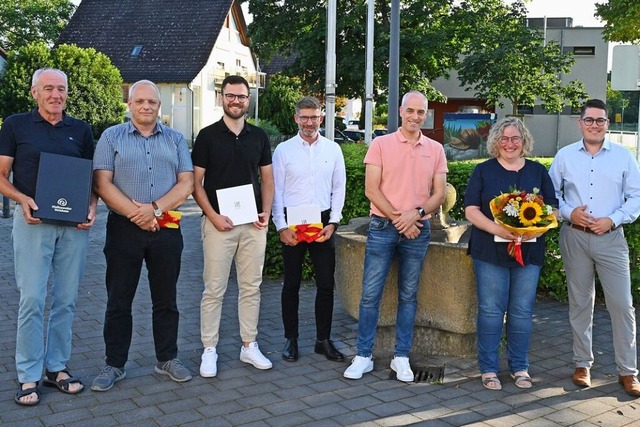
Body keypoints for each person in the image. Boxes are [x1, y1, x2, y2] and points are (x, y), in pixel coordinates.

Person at [91, 80, 194, 391]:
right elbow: (102, 183)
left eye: (152, 101)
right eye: (140, 101)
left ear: (159, 106)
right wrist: (137, 214)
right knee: (119, 299)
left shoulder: (175, 140)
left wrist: (155, 209)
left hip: (166, 227)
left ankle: (167, 358)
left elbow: (186, 182)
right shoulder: (111, 137)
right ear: (130, 104)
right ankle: (114, 364)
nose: (146, 106)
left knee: (167, 299)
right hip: (124, 230)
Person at [0, 68, 96, 406]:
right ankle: (28, 373)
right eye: (49, 89)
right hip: (33, 223)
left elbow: (90, 179)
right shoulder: (15, 125)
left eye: (62, 89)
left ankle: (56, 368)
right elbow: (1, 175)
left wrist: (92, 207)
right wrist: (22, 199)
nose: (56, 95)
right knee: (32, 300)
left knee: (67, 299)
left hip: (73, 227)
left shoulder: (81, 129)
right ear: (35, 92)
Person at [343, 91, 447, 382]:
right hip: (383, 228)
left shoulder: (435, 149)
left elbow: (439, 193)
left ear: (425, 114)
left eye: (420, 112)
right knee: (370, 294)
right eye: (410, 111)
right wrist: (401, 220)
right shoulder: (380, 144)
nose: (415, 116)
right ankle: (363, 355)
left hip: (418, 228)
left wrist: (414, 214)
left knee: (408, 295)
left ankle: (401, 357)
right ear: (401, 112)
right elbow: (371, 190)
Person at [549, 99, 640, 397]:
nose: (594, 125)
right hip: (574, 236)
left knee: (622, 305)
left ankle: (628, 371)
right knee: (580, 303)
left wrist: (612, 220)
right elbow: (551, 196)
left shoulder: (624, 158)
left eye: (600, 120)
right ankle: (582, 364)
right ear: (580, 123)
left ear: (607, 124)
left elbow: (636, 199)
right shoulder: (564, 156)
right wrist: (568, 212)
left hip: (611, 239)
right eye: (589, 120)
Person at [464, 117, 558, 391]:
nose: (509, 143)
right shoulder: (483, 171)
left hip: (528, 251)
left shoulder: (538, 171)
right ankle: (489, 368)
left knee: (521, 311)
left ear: (524, 141)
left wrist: (535, 231)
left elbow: (552, 208)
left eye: (515, 138)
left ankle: (519, 366)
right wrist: (497, 228)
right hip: (490, 251)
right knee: (491, 311)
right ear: (495, 141)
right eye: (504, 138)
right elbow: (471, 209)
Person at [192, 75, 275, 377]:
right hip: (218, 225)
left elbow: (267, 179)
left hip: (252, 224)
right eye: (230, 96)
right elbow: (195, 183)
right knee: (214, 289)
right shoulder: (207, 136)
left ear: (248, 99)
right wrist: (213, 216)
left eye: (241, 96)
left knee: (251, 287)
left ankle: (248, 345)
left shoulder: (259, 136)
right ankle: (209, 349)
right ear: (221, 97)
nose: (236, 101)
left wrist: (266, 213)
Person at [272, 96, 347, 362]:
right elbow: (276, 191)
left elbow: (339, 188)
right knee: (290, 284)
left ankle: (322, 340)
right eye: (304, 117)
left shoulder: (333, 149)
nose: (309, 122)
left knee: (326, 284)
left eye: (314, 117)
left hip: (323, 221)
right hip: (292, 221)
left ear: (321, 118)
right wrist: (281, 226)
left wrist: (333, 222)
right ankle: (290, 339)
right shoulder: (283, 150)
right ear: (296, 118)